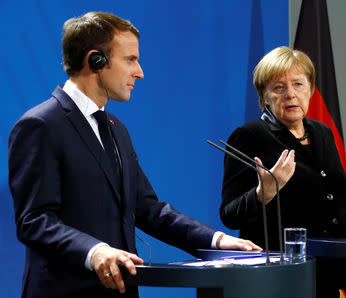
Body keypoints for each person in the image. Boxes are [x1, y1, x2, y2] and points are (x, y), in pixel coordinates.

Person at [8, 12, 261, 298]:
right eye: (130, 59)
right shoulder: (40, 125)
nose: (139, 72)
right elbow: (34, 220)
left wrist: (216, 240)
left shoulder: (117, 130)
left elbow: (149, 210)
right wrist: (95, 251)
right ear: (96, 61)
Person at [220, 46, 346, 297]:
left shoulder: (321, 133)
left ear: (311, 89)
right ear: (264, 96)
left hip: (327, 271)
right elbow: (229, 214)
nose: (291, 94)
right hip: (279, 278)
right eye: (278, 87)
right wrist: (263, 194)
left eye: (298, 84)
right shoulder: (248, 137)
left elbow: (332, 198)